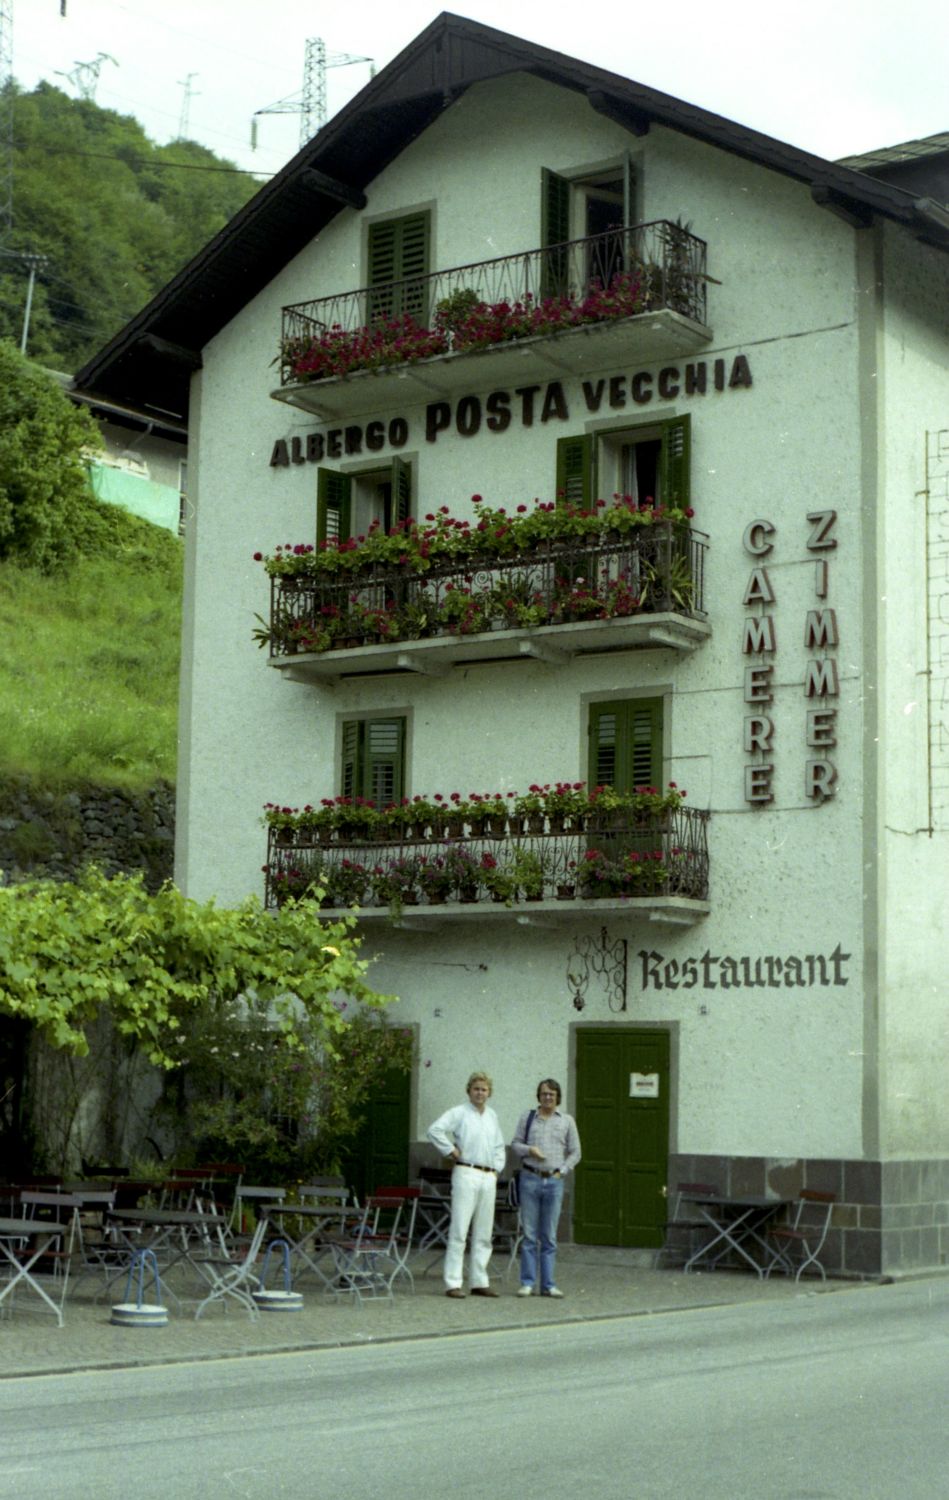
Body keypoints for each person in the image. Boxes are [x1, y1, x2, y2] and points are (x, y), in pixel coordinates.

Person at [427, 1070, 507, 1298]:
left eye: (484, 1089)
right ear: (469, 1091)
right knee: (460, 1230)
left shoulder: (492, 1116)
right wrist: (450, 1150)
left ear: (489, 1092)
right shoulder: (459, 1113)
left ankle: (479, 1281)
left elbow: (499, 1146)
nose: (480, 1093)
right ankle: (453, 1283)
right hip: (466, 1172)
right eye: (476, 1089)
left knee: (483, 1232)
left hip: (487, 1176)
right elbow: (435, 1130)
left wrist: (496, 1169)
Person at [511, 1077, 581, 1298]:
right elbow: (515, 1145)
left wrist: (563, 1170)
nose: (547, 1097)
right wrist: (530, 1150)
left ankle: (549, 1284)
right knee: (530, 1234)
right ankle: (528, 1283)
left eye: (551, 1094)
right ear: (538, 1096)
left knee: (549, 1235)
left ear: (557, 1097)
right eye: (544, 1094)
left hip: (554, 1181)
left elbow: (576, 1152)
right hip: (530, 1178)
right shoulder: (528, 1117)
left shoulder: (566, 1121)